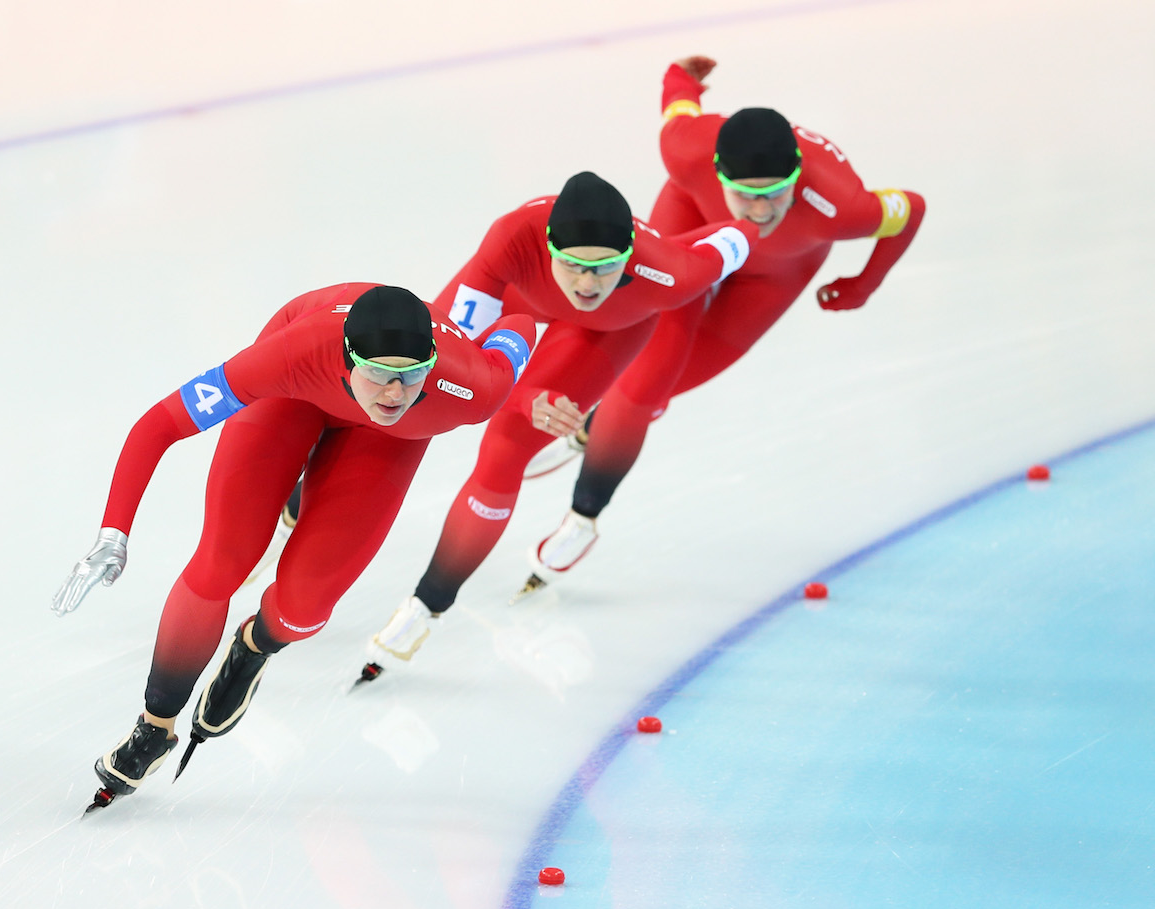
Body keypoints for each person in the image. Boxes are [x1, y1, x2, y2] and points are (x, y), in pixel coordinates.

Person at [50, 283, 535, 810]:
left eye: (411, 374)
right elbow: (159, 425)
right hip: (295, 396)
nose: (395, 393)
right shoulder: (293, 352)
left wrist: (499, 329)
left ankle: (253, 647)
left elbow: (522, 324)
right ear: (348, 359)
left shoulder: (471, 387)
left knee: (305, 608)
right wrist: (112, 533)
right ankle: (155, 726)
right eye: (378, 373)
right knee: (221, 563)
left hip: (388, 440)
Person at [519, 55, 927, 592]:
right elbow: (679, 106)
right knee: (647, 379)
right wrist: (682, 76)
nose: (759, 213)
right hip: (690, 227)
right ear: (717, 173)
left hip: (777, 272)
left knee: (674, 380)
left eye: (774, 194)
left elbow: (911, 208)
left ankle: (596, 430)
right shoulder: (687, 152)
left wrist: (864, 283)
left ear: (798, 180)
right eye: (746, 195)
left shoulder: (843, 206)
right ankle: (583, 519)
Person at [357, 171, 758, 680]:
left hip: (613, 328)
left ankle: (426, 606)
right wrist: (524, 397)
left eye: (605, 268)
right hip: (519, 295)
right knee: (417, 379)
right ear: (549, 249)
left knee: (504, 449)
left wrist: (759, 214)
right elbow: (455, 361)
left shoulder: (674, 270)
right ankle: (313, 493)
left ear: (630, 255)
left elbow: (743, 233)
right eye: (573, 266)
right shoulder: (510, 241)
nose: (588, 284)